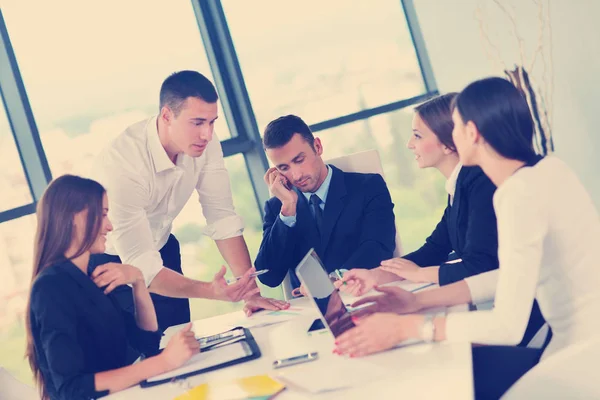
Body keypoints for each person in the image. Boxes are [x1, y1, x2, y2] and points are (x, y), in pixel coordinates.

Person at [333, 77, 600, 399]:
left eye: (456, 126)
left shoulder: (517, 194)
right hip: (577, 344)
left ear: (471, 134)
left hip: (580, 360)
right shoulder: (548, 170)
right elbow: (508, 276)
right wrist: (416, 300)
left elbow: (507, 326)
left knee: (434, 381)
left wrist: (407, 329)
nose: (453, 135)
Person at [90, 71, 288, 330]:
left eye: (212, 122)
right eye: (197, 122)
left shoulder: (204, 143)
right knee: (142, 359)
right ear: (166, 116)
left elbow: (222, 217)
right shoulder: (123, 166)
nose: (207, 134)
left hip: (163, 249)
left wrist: (250, 293)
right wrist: (212, 291)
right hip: (112, 264)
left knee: (180, 342)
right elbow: (140, 264)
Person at [25, 175, 201, 400]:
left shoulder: (90, 277)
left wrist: (138, 281)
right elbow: (71, 388)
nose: (110, 226)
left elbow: (146, 342)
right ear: (74, 217)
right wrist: (164, 362)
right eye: (104, 214)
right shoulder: (50, 288)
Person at [340, 93, 499, 296]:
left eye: (418, 135)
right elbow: (432, 251)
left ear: (448, 143)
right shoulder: (459, 187)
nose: (409, 144)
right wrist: (374, 275)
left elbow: (479, 267)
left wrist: (419, 274)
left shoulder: (480, 184)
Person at [254, 115, 396, 290]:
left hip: (363, 294)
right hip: (310, 310)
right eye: (284, 168)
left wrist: (331, 281)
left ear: (317, 147)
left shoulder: (368, 187)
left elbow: (379, 247)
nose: (296, 175)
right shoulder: (279, 208)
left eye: (299, 160)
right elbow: (269, 277)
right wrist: (288, 210)